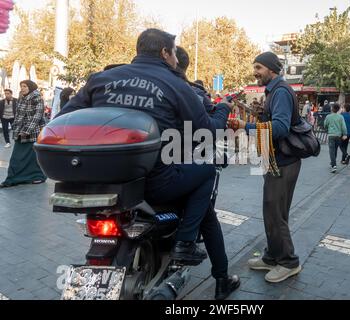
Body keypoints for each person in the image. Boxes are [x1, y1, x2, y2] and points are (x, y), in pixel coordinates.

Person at [57, 28, 239, 300]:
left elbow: (64, 119)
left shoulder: (102, 78)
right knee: (206, 174)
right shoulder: (177, 85)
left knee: (204, 207)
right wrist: (223, 108)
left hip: (99, 182)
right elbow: (208, 131)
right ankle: (186, 245)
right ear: (165, 53)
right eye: (175, 53)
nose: (176, 59)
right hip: (155, 182)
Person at [228, 52, 302, 283]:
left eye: (258, 67)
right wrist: (261, 114)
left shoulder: (280, 92)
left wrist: (245, 125)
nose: (255, 72)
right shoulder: (274, 91)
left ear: (271, 69)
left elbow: (280, 128)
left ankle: (289, 262)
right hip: (276, 159)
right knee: (272, 212)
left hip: (283, 161)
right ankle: (272, 257)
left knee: (275, 213)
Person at [0, 80, 47, 188]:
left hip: (32, 132)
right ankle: (12, 179)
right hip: (20, 131)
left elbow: (37, 116)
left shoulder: (37, 97)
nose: (22, 88)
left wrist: (26, 131)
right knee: (17, 157)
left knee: (32, 158)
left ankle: (38, 177)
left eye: (25, 86)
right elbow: (18, 115)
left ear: (30, 87)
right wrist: (16, 128)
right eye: (21, 86)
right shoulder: (22, 97)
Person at [324, 103, 348, 173]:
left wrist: (327, 128)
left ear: (332, 108)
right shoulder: (340, 117)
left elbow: (325, 124)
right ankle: (333, 162)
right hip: (338, 135)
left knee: (331, 150)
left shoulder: (328, 116)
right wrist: (345, 134)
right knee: (336, 149)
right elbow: (343, 126)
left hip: (331, 135)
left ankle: (333, 165)